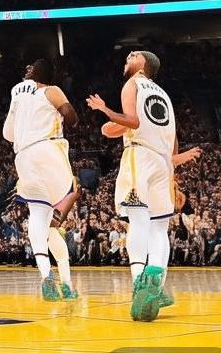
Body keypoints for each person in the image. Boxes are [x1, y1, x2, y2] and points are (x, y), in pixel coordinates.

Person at [87, 50, 201, 322]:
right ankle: (157, 286)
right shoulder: (165, 96)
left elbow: (133, 121)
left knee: (138, 221)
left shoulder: (133, 83)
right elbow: (171, 145)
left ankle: (140, 283)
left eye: (134, 54)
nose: (129, 54)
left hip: (140, 157)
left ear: (143, 64)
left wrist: (104, 110)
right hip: (163, 164)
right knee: (159, 228)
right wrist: (112, 127)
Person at [3, 59, 80, 301]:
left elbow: (7, 134)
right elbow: (71, 116)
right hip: (49, 152)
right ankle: (66, 284)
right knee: (53, 221)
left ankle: (46, 276)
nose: (26, 69)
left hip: (24, 157)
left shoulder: (19, 93)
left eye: (31, 67)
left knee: (39, 216)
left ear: (40, 73)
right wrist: (66, 116)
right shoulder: (51, 91)